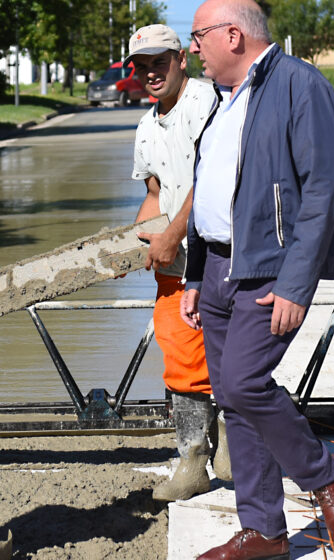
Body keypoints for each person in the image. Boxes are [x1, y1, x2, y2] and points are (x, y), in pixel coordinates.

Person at [180, 0, 334, 559]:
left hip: (268, 269)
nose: (193, 48)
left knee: (243, 383)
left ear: (233, 35)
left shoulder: (299, 86)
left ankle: (328, 477)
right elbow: (210, 189)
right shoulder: (224, 97)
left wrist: (295, 284)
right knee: (233, 402)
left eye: (198, 35)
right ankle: (264, 531)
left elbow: (323, 191)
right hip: (214, 267)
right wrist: (192, 274)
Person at [123, 25, 230, 502]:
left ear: (181, 58)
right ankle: (193, 459)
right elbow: (153, 194)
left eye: (158, 62)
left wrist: (171, 234)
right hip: (173, 265)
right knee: (181, 356)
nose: (150, 73)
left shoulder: (204, 104)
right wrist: (131, 243)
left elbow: (210, 181)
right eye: (141, 65)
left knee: (228, 353)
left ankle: (226, 449)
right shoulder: (147, 125)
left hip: (217, 258)